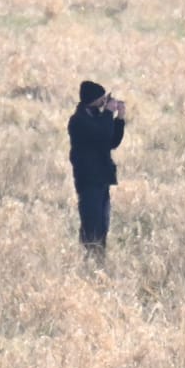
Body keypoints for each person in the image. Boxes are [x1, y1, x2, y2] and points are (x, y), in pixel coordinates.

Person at [68, 80, 126, 255]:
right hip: (88, 179)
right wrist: (108, 113)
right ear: (93, 99)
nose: (104, 102)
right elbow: (100, 134)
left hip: (102, 178)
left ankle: (99, 257)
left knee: (103, 223)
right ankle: (90, 255)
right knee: (91, 222)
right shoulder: (79, 121)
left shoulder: (97, 118)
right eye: (102, 99)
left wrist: (120, 118)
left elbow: (111, 141)